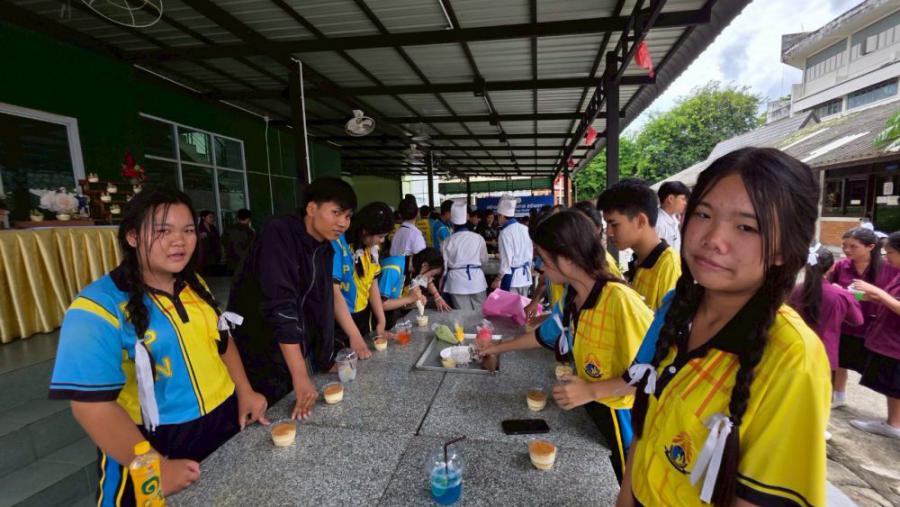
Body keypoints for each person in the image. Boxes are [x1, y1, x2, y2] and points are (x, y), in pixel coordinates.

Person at [619, 147, 830, 507]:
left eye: (746, 227)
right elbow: (644, 430)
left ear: (783, 249)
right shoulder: (679, 308)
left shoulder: (792, 357)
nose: (712, 239)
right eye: (703, 214)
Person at [49, 189, 269, 505]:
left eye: (188, 230)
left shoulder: (194, 284)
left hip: (222, 423)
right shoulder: (96, 308)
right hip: (151, 443)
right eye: (163, 230)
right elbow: (90, 406)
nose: (179, 241)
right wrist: (154, 466)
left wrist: (245, 391)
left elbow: (222, 341)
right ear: (133, 237)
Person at [479, 210, 652, 482]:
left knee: (620, 479)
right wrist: (495, 348)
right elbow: (543, 335)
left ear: (568, 258)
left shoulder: (620, 301)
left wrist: (590, 390)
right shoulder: (574, 296)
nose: (540, 265)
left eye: (544, 258)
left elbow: (651, 373)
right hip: (591, 405)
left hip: (621, 417)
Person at [228, 177, 356, 420]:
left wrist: (326, 358)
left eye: (348, 216)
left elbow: (322, 305)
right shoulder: (279, 233)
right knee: (269, 414)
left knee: (297, 407)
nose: (343, 223)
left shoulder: (325, 249)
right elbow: (280, 305)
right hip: (258, 344)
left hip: (289, 347)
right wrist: (300, 376)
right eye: (336, 212)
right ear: (312, 208)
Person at [828, 227, 898, 408]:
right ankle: (838, 396)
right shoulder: (842, 266)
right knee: (840, 361)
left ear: (870, 247)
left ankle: (892, 417)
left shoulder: (890, 268)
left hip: (875, 326)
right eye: (844, 246)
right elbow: (829, 287)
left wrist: (874, 294)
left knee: (882, 372)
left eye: (853, 246)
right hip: (846, 323)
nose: (847, 250)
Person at [597, 178, 680, 311]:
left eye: (614, 225)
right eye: (607, 225)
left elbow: (669, 321)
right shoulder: (639, 260)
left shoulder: (669, 265)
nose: (609, 232)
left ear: (641, 221)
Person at [849, 231, 900, 439]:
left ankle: (894, 424)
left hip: (896, 342)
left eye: (889, 253)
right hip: (889, 338)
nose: (886, 258)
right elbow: (891, 299)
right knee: (891, 384)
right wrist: (863, 296)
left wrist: (877, 292)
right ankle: (893, 422)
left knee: (894, 384)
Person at [332, 202, 394, 359]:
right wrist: (354, 335)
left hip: (363, 317)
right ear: (365, 231)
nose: (382, 241)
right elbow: (334, 293)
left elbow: (372, 285)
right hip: (341, 321)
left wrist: (381, 321)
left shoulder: (371, 250)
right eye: (380, 236)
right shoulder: (340, 245)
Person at [790, 246, 863, 379]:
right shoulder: (840, 295)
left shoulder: (795, 290)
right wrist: (850, 296)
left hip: (797, 349)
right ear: (832, 267)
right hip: (826, 352)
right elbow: (857, 320)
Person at [379, 247, 449, 327]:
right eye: (432, 275)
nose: (429, 280)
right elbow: (381, 305)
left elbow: (400, 303)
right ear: (425, 265)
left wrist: (415, 303)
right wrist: (409, 299)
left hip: (389, 317)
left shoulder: (413, 271)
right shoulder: (393, 269)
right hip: (374, 322)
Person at [441, 199, 489, 310]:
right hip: (477, 281)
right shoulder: (478, 238)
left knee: (462, 315)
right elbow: (484, 260)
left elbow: (444, 266)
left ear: (452, 222)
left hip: (456, 283)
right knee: (481, 314)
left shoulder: (447, 241)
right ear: (467, 219)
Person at [491, 195, 534, 296]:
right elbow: (530, 253)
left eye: (498, 216)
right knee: (524, 305)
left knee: (511, 306)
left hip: (513, 280)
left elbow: (506, 262)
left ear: (502, 216)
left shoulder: (505, 233)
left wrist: (498, 279)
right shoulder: (525, 229)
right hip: (526, 278)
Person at [655, 181, 690, 253]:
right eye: (683, 199)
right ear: (670, 199)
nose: (685, 203)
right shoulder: (658, 223)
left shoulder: (673, 219)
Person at [222, 208, 255, 276]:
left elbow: (223, 242)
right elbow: (253, 248)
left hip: (231, 263)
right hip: (245, 263)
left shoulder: (228, 229)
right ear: (248, 219)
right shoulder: (249, 232)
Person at [197, 210, 222, 275]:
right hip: (204, 257)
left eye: (212, 217)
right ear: (203, 218)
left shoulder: (213, 228)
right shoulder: (199, 229)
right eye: (210, 217)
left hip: (214, 255)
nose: (212, 219)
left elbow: (217, 241)